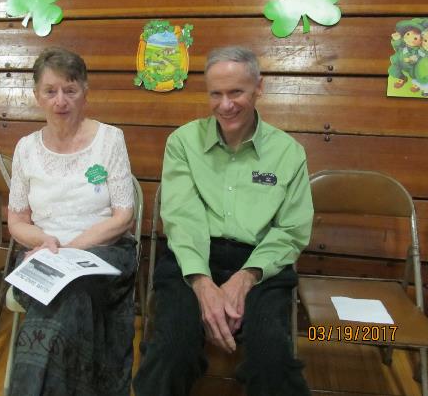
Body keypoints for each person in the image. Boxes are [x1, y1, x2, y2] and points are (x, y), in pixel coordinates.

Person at [134, 46, 314, 396]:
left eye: (236, 92)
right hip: (191, 259)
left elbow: (291, 230)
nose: (225, 105)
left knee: (271, 359)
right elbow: (182, 220)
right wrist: (202, 284)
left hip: (260, 264)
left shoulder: (288, 153)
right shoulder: (183, 142)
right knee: (170, 351)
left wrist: (245, 278)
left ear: (259, 88)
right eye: (215, 94)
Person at [7, 47, 136, 396]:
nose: (60, 100)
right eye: (50, 91)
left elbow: (123, 216)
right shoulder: (25, 148)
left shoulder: (110, 139)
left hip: (103, 252)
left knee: (71, 292)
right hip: (42, 253)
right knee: (65, 296)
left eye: (70, 89)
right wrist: (44, 243)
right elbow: (17, 220)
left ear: (85, 92)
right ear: (37, 96)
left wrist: (68, 251)